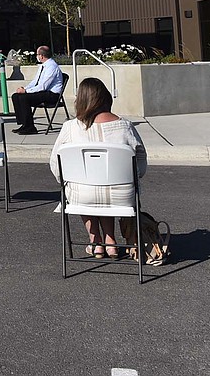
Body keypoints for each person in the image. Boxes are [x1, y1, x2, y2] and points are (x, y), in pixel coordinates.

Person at [49, 77, 147, 259]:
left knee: (86, 187)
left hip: (83, 195)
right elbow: (140, 160)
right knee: (106, 185)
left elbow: (56, 163)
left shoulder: (70, 128)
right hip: (122, 195)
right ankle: (110, 242)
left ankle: (96, 241)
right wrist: (133, 179)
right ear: (106, 97)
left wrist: (65, 182)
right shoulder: (125, 126)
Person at [12, 45, 65, 134]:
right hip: (43, 92)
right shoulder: (42, 66)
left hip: (52, 94)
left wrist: (26, 92)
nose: (37, 56)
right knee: (16, 96)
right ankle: (24, 124)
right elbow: (35, 81)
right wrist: (24, 88)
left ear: (41, 56)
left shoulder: (52, 67)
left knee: (24, 98)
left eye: (37, 54)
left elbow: (43, 86)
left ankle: (30, 127)